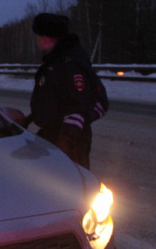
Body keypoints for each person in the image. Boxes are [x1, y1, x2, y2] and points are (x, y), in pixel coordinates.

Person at [28, 13, 108, 170]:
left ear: (54, 39)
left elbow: (78, 105)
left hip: (70, 140)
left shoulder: (70, 65)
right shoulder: (54, 62)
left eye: (44, 38)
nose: (40, 42)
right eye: (39, 37)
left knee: (72, 180)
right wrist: (29, 119)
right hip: (51, 135)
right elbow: (54, 100)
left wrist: (67, 140)